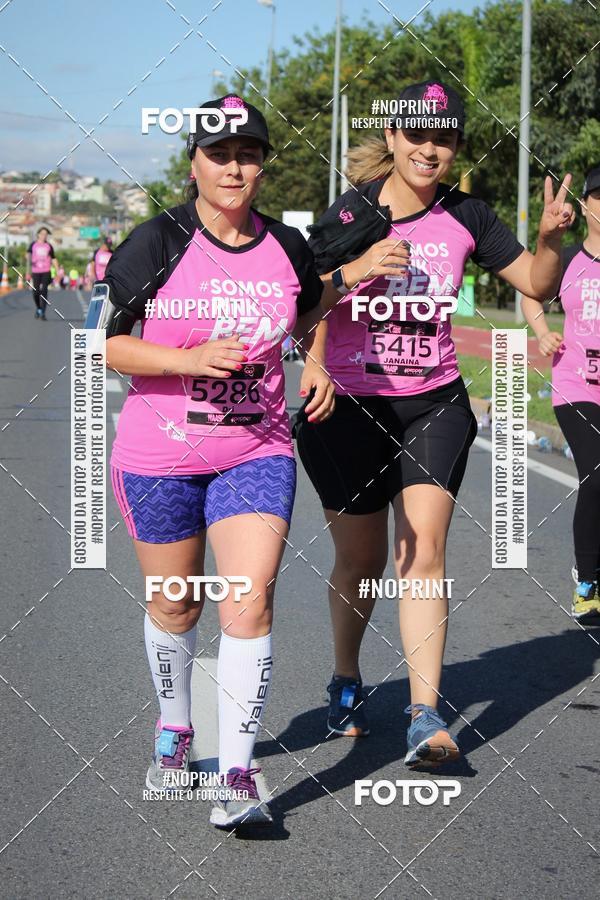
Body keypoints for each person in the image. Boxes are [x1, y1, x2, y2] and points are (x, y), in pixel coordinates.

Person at [296, 80, 574, 768]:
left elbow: (537, 285)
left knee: (422, 550)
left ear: (454, 149)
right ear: (392, 137)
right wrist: (345, 294)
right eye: (417, 136)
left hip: (434, 404)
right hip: (348, 407)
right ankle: (345, 677)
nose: (429, 149)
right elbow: (304, 307)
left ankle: (424, 711)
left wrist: (547, 239)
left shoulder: (469, 216)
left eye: (443, 139)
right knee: (360, 561)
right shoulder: (347, 214)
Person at [101, 95, 333, 828]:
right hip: (159, 452)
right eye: (220, 154)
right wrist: (189, 357)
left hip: (255, 449)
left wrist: (317, 361)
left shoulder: (286, 249)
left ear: (264, 163)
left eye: (249, 154)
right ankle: (177, 727)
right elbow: (111, 347)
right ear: (194, 161)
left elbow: (313, 306)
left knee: (249, 597)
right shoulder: (158, 242)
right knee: (177, 603)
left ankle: (236, 773)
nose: (235, 167)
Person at [521, 163, 600, 625]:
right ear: (587, 205)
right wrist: (543, 331)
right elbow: (532, 291)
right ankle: (586, 581)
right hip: (575, 386)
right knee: (596, 469)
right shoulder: (569, 260)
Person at [26, 227, 58, 320]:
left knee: (44, 290)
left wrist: (57, 271)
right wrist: (28, 271)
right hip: (36, 271)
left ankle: (43, 312)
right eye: (42, 234)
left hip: (46, 271)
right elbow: (28, 256)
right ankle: (38, 308)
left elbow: (53, 258)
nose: (44, 236)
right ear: (38, 234)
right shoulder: (33, 245)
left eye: (46, 234)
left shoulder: (49, 246)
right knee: (36, 292)